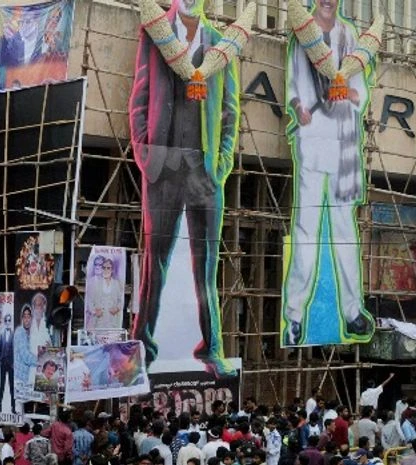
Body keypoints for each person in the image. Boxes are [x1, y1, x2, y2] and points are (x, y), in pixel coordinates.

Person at [130, 0, 239, 373]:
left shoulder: (222, 45)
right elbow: (139, 98)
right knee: (153, 263)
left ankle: (211, 348)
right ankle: (142, 341)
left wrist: (221, 165)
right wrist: (146, 155)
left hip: (204, 172)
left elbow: (229, 110)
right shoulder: (155, 33)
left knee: (206, 268)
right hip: (162, 168)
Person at [281, 0, 374, 346]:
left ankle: (352, 312)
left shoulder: (349, 36)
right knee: (305, 228)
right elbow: (293, 87)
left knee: (344, 229)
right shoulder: (302, 37)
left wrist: (344, 89)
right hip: (310, 141)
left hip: (342, 144)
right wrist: (298, 109)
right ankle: (294, 315)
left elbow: (359, 94)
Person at [87, 258, 125, 330]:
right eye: (104, 268)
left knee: (113, 339)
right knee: (98, 339)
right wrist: (94, 312)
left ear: (112, 270)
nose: (106, 270)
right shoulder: (95, 283)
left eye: (108, 268)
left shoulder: (117, 283)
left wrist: (117, 308)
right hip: (98, 321)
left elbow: (121, 301)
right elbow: (89, 301)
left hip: (112, 320)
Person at [0, 311, 15, 413]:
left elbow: (15, 350)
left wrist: (13, 363)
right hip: (3, 363)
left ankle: (13, 408)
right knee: (2, 385)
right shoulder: (2, 335)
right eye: (6, 320)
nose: (7, 322)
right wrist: (0, 360)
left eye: (9, 320)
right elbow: (0, 349)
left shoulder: (13, 334)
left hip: (11, 364)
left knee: (12, 386)